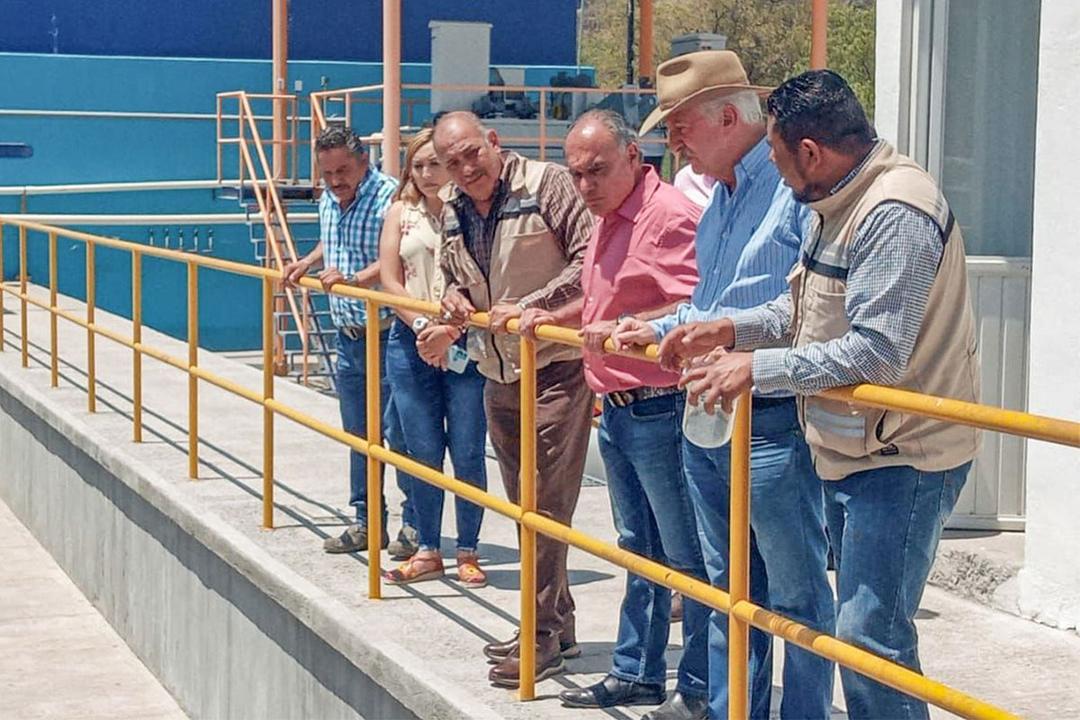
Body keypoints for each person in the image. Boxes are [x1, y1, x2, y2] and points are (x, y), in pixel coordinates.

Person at [674, 70, 980, 720]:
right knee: (863, 638)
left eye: (780, 162)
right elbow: (803, 308)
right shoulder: (835, 203)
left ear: (810, 152)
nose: (779, 179)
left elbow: (877, 350)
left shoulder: (894, 211)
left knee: (870, 641)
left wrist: (755, 369)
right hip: (852, 446)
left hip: (906, 457)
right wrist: (733, 327)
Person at [613, 51, 835, 719]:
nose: (672, 143)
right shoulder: (719, 202)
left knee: (794, 595)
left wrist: (713, 332)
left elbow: (801, 313)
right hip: (710, 414)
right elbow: (713, 304)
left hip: (770, 418)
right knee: (725, 586)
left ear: (730, 116)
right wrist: (654, 328)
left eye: (679, 127)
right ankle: (733, 709)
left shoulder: (797, 192)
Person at [536, 110, 708, 720]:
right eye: (576, 173)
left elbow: (702, 303)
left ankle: (700, 688)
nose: (584, 185)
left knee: (688, 557)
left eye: (597, 170)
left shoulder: (668, 217)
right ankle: (637, 671)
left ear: (636, 157)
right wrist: (552, 317)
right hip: (619, 405)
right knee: (639, 548)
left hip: (661, 404)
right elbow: (602, 298)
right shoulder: (607, 216)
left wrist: (627, 328)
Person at [433, 111, 595, 688]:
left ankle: (542, 635)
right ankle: (559, 620)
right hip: (497, 371)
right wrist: (452, 295)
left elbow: (589, 258)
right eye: (453, 162)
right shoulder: (452, 207)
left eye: (472, 153)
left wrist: (535, 308)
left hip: (553, 366)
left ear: (493, 142)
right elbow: (453, 271)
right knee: (524, 504)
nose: (465, 168)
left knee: (545, 506)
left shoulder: (546, 184)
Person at [283, 126, 419, 558]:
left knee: (399, 433)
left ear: (363, 161)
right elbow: (335, 239)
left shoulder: (389, 197)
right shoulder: (330, 198)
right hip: (348, 337)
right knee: (358, 434)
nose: (336, 180)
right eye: (327, 173)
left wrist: (354, 281)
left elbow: (396, 254)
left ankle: (414, 524)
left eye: (343, 170)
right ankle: (366, 522)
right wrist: (306, 261)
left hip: (387, 334)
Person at [375, 128, 489, 588]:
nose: (426, 173)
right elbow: (389, 277)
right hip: (411, 341)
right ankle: (426, 547)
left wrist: (451, 331)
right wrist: (423, 327)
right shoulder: (401, 214)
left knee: (466, 449)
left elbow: (485, 278)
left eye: (434, 164)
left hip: (465, 343)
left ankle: (467, 549)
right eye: (418, 165)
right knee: (419, 450)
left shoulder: (471, 212)